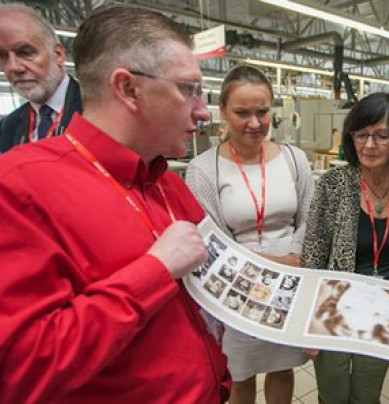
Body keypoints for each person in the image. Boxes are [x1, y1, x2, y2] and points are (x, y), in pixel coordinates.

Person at [0, 5, 231, 403]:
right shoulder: (19, 187)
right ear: (127, 89)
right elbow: (22, 369)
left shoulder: (169, 185)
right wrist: (155, 271)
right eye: (188, 89)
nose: (203, 111)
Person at [186, 64, 314, 404]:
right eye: (242, 112)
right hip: (237, 288)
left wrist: (293, 259)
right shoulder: (203, 169)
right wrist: (265, 264)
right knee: (240, 375)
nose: (255, 123)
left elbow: (309, 218)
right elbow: (211, 239)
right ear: (222, 112)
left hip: (289, 281)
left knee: (283, 369)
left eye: (262, 111)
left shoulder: (293, 159)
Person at [303, 92, 389, 404]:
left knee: (367, 396)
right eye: (362, 134)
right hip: (336, 311)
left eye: (382, 136)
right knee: (333, 395)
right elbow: (313, 255)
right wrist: (309, 325)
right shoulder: (333, 184)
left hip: (382, 314)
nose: (369, 145)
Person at [0, 3, 82, 153]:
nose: (13, 67)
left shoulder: (98, 109)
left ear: (58, 55)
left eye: (25, 52)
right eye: (3, 57)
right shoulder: (8, 127)